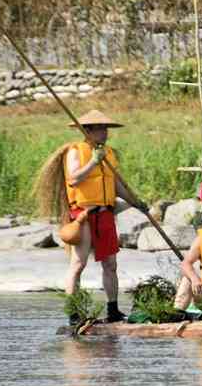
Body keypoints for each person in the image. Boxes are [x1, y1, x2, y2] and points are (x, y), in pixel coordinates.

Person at [35, 109, 137, 324]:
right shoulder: (76, 151)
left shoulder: (109, 154)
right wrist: (92, 161)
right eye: (100, 129)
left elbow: (116, 185)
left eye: (106, 128)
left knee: (110, 264)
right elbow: (73, 179)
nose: (105, 132)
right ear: (87, 131)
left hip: (105, 214)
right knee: (78, 264)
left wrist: (137, 202)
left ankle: (113, 310)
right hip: (83, 214)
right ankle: (73, 313)